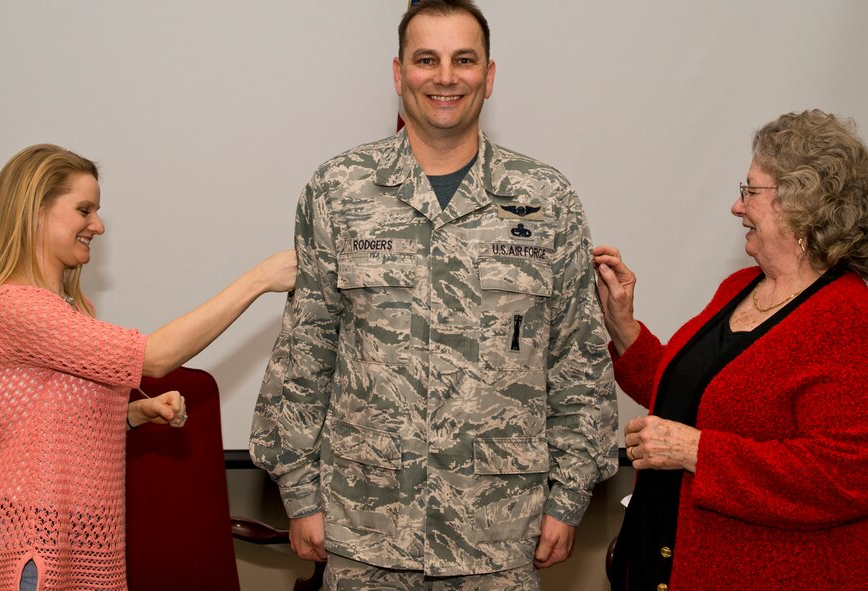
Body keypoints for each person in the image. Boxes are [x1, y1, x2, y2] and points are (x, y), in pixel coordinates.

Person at [249, 1, 617, 588]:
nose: (445, 77)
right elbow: (306, 349)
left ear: (489, 76)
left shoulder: (547, 200)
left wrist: (568, 495)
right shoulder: (338, 190)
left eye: (463, 60)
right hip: (365, 529)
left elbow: (576, 357)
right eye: (426, 59)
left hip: (499, 535)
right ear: (398, 74)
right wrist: (298, 491)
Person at [0, 143, 296, 591]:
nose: (99, 225)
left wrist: (133, 415)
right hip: (35, 546)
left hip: (80, 543)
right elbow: (155, 357)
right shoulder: (14, 308)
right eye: (84, 210)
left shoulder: (72, 307)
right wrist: (258, 280)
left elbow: (50, 419)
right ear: (34, 212)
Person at [594, 109, 868, 590]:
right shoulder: (740, 287)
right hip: (662, 558)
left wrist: (698, 451)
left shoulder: (850, 317)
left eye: (750, 191)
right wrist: (622, 326)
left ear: (799, 202)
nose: (736, 208)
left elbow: (844, 476)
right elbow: (690, 396)